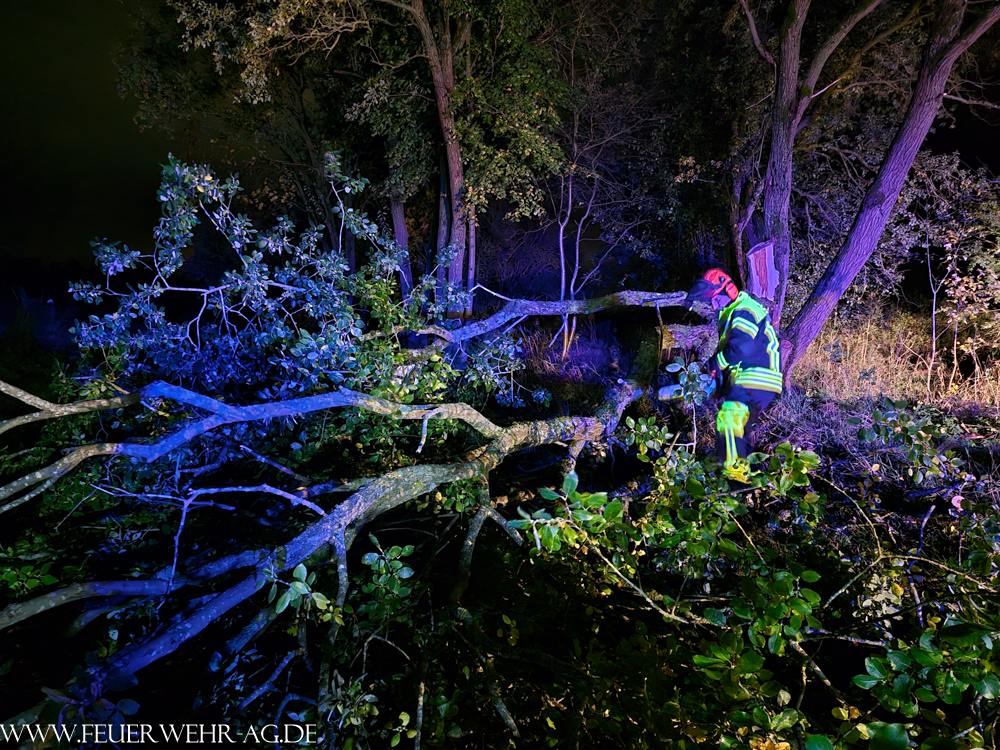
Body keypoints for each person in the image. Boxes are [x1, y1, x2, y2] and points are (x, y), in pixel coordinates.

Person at [685, 268, 782, 484]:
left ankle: (736, 477)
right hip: (754, 376)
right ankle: (753, 474)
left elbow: (741, 349)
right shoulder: (733, 312)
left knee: (729, 417)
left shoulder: (744, 310)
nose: (712, 306)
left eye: (714, 300)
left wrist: (714, 364)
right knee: (738, 426)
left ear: (728, 291)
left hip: (758, 375)